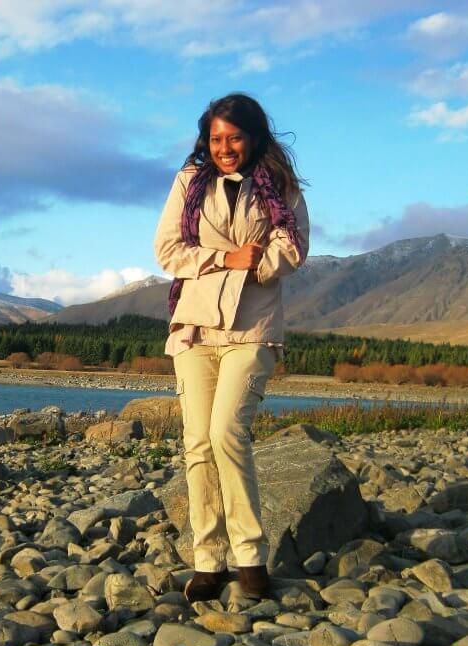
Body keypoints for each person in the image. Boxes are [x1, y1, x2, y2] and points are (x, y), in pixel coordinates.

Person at [153, 92, 310, 602]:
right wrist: (228, 259)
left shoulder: (281, 186)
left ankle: (250, 557)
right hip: (194, 328)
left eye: (234, 137)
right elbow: (168, 251)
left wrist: (259, 265)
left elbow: (294, 246)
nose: (225, 148)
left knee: (227, 433)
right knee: (197, 441)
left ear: (253, 136)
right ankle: (208, 560)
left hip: (253, 327)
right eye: (216, 138)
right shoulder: (186, 184)